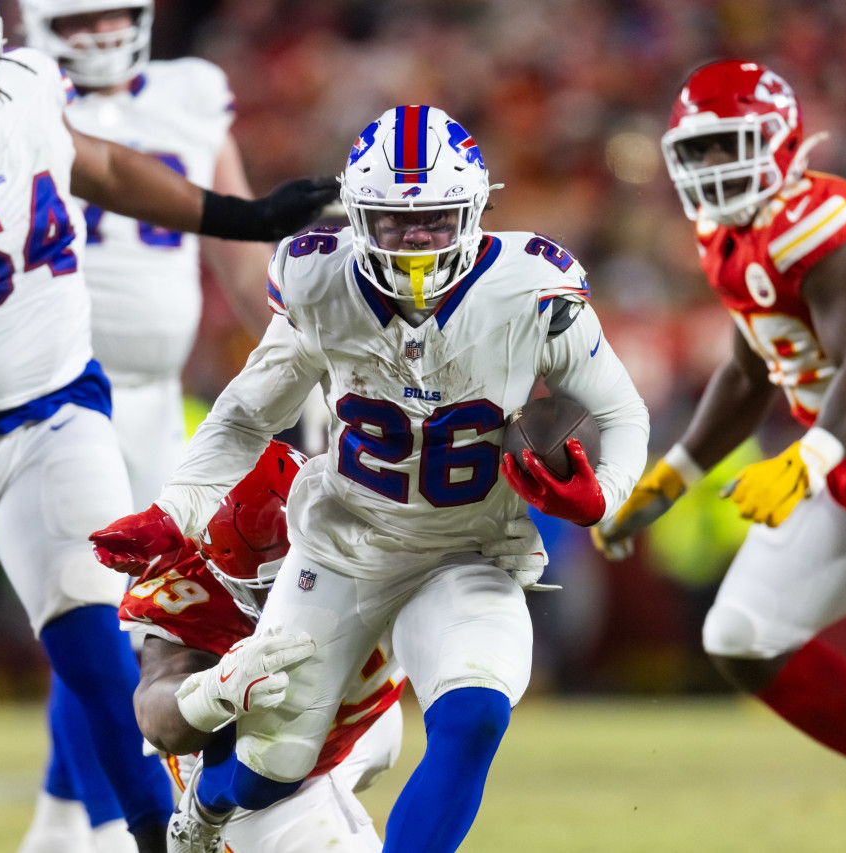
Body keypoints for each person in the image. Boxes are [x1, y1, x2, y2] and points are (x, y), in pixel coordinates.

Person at [0, 2, 335, 852]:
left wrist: (239, 217)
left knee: (96, 629)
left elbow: (98, 166)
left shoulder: (24, 91)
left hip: (56, 411)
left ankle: (153, 837)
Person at [89, 104, 649, 853]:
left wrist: (603, 494)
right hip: (345, 544)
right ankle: (206, 811)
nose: (415, 243)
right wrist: (177, 509)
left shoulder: (530, 289)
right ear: (357, 217)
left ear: (475, 211)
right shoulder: (321, 281)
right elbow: (247, 414)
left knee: (476, 713)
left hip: (470, 548)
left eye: (434, 222)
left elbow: (623, 412)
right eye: (392, 224)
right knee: (275, 762)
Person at [591, 59, 846, 853]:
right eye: (700, 152)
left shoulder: (824, 218)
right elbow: (752, 368)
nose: (713, 169)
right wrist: (671, 476)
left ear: (780, 141)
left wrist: (808, 459)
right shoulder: (726, 234)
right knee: (743, 632)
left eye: (730, 147)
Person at [12, 3, 279, 848]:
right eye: (78, 18)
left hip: (163, 400)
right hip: (54, 393)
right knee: (89, 610)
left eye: (112, 15)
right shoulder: (13, 92)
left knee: (146, 615)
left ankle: (64, 820)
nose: (97, 35)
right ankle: (101, 820)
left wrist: (292, 356)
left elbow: (237, 247)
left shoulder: (192, 92)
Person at [122, 439, 407, 852]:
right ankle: (205, 811)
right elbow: (153, 710)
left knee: (387, 725)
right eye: (274, 583)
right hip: (245, 767)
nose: (298, 588)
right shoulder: (191, 583)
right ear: (218, 567)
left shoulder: (355, 510)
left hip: (355, 724)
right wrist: (213, 690)